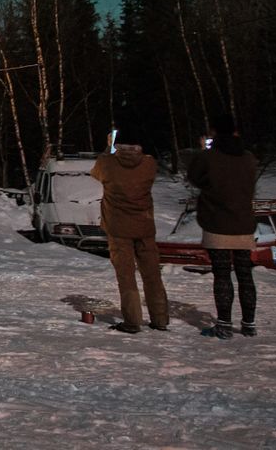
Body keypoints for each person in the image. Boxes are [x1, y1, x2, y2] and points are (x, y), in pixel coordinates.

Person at [90, 127, 169, 334]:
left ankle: (133, 321)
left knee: (126, 276)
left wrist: (108, 149)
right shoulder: (149, 164)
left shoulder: (108, 164)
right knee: (152, 274)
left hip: (117, 228)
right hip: (144, 226)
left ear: (118, 143)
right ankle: (160, 318)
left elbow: (96, 172)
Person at [186, 120, 259, 339]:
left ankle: (224, 324)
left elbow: (194, 177)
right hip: (244, 222)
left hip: (217, 222)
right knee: (245, 274)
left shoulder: (209, 157)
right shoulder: (248, 158)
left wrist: (203, 150)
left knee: (222, 274)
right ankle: (249, 325)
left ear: (214, 134)